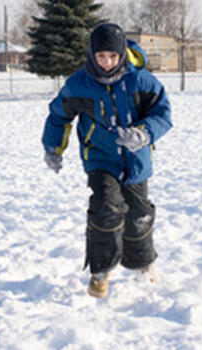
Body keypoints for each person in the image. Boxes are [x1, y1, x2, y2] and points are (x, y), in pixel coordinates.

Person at [41, 23, 172, 298]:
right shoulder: (80, 84)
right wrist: (53, 148)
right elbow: (59, 116)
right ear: (92, 55)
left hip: (136, 159)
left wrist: (144, 133)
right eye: (101, 57)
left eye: (113, 56)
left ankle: (143, 264)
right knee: (106, 207)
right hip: (100, 157)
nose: (107, 63)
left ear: (122, 53)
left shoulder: (142, 80)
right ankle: (100, 272)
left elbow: (162, 114)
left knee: (139, 214)